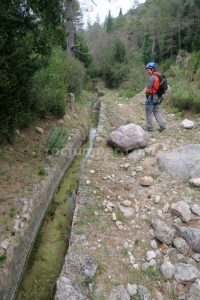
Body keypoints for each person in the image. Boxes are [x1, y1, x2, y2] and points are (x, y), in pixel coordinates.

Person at [144, 62, 165, 132]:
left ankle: (149, 127)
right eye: (147, 70)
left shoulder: (152, 77)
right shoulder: (159, 76)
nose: (147, 72)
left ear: (152, 69)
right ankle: (162, 125)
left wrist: (147, 92)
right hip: (158, 97)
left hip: (151, 97)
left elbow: (149, 87)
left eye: (148, 70)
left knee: (149, 112)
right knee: (156, 112)